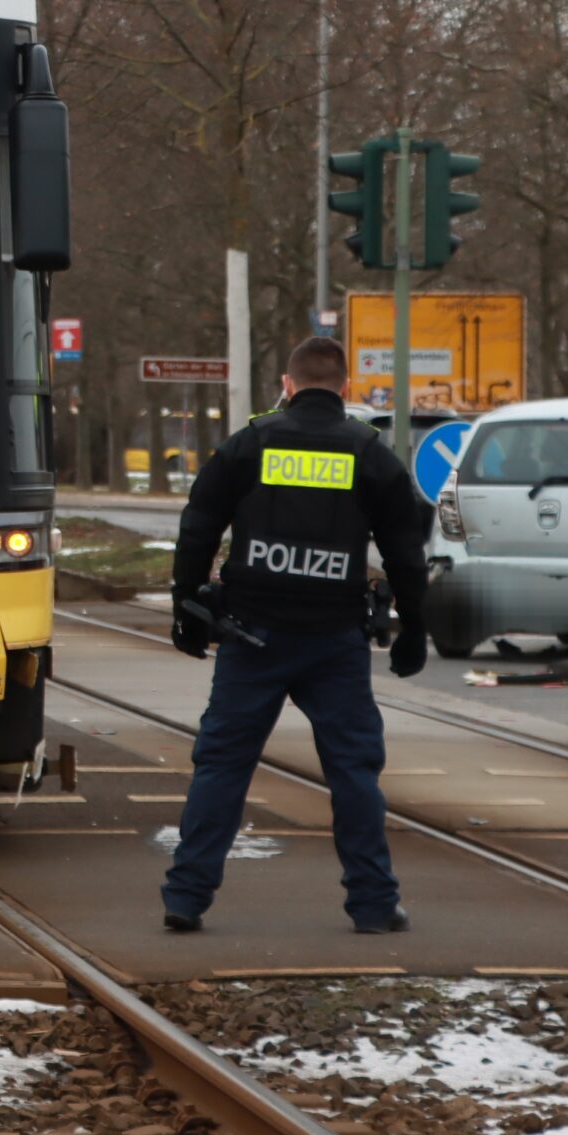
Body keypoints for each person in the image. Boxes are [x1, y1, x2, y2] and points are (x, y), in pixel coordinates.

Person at [163, 335, 431, 936]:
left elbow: (197, 527)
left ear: (287, 385)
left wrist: (185, 608)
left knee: (222, 767)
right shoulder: (369, 453)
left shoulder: (249, 445)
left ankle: (186, 897)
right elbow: (407, 554)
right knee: (353, 772)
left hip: (250, 637)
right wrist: (414, 627)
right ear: (346, 390)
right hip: (334, 642)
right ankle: (371, 903)